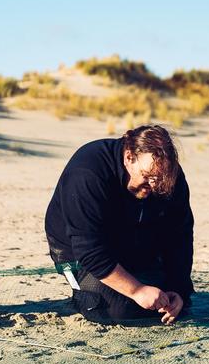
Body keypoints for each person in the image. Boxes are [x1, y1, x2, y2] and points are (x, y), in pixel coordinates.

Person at [45, 124, 194, 325]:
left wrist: (179, 290)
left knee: (170, 303)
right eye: (147, 177)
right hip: (77, 253)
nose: (154, 186)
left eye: (159, 180)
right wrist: (136, 290)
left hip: (134, 242)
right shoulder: (87, 172)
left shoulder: (166, 176)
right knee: (115, 310)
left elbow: (180, 236)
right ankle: (84, 293)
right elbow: (88, 250)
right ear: (129, 157)